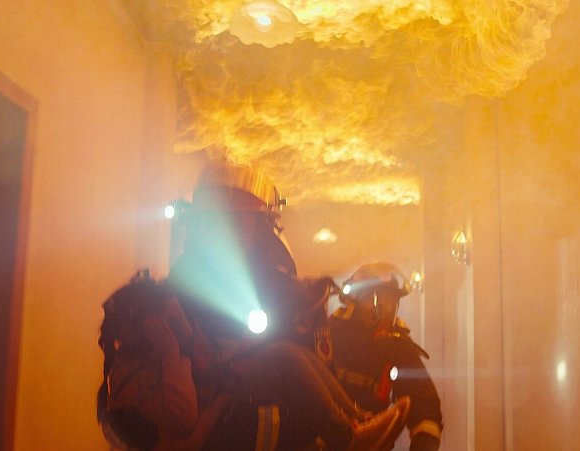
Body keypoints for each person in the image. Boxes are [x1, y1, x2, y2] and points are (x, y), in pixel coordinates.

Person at [98, 161, 410, 451]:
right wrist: (227, 363)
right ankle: (350, 435)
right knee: (284, 356)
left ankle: (358, 421)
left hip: (243, 402)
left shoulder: (267, 282)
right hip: (218, 417)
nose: (231, 233)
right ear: (199, 225)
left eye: (241, 222)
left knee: (291, 355)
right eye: (221, 222)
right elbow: (190, 379)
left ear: (260, 228)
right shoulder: (177, 292)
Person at [329, 262, 443, 451]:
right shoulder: (330, 335)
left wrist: (423, 445)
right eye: (372, 297)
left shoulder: (398, 347)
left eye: (389, 300)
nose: (383, 308)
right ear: (353, 303)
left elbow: (425, 408)